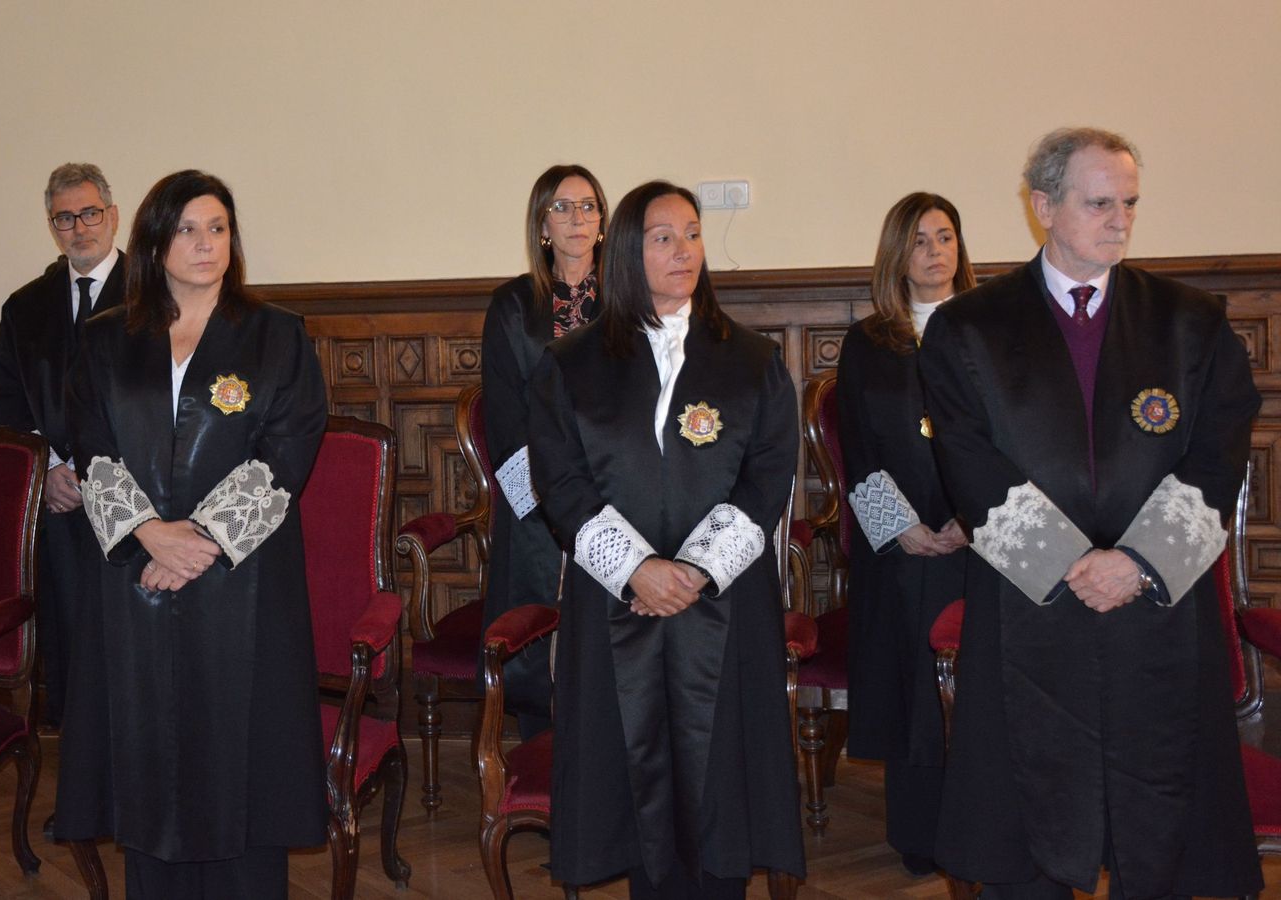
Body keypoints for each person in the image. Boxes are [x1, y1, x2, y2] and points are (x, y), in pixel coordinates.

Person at [918, 127, 1263, 898]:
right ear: (1043, 205)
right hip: (1030, 606)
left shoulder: (1191, 322)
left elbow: (1217, 454)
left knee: (1168, 829)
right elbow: (969, 461)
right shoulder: (969, 327)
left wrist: (1135, 563)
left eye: (1130, 203)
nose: (1120, 219)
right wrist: (1071, 565)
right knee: (1029, 833)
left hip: (1158, 609)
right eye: (1099, 202)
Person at [529, 181, 804, 899]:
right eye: (662, 237)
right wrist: (638, 570)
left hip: (723, 609)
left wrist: (695, 571)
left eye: (692, 233)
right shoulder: (571, 364)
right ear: (627, 250)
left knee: (722, 799)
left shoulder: (751, 362)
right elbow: (561, 482)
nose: (683, 250)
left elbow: (767, 478)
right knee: (633, 791)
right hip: (617, 605)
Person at [66, 170, 328, 898]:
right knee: (150, 772)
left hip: (242, 587)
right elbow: (90, 450)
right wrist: (150, 533)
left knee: (242, 772)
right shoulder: (105, 340)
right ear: (154, 240)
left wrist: (199, 543)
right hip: (135, 583)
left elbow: (286, 453)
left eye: (218, 227)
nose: (206, 242)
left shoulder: (275, 335)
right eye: (187, 228)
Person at [836, 192, 975, 877]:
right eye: (918, 240)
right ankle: (919, 833)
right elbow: (856, 449)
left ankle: (979, 824)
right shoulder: (869, 342)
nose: (934, 251)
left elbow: (1007, 438)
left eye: (944, 237)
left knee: (976, 679)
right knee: (909, 675)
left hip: (975, 539)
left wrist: (969, 520)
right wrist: (902, 528)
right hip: (899, 545)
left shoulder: (987, 330)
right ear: (898, 254)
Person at [0, 162, 125, 732]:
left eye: (90, 213)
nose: (79, 227)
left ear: (113, 216)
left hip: (140, 505)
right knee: (70, 645)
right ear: (52, 227)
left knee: (129, 642)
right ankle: (81, 789)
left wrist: (100, 472)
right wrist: (47, 470)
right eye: (64, 218)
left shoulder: (155, 292)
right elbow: (9, 403)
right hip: (61, 510)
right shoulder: (25, 307)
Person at [481, 163, 609, 737]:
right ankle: (539, 757)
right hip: (535, 501)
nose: (576, 218)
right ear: (542, 225)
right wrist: (547, 503)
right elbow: (505, 418)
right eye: (562, 207)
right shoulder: (511, 306)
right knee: (539, 638)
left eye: (587, 206)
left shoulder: (631, 298)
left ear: (604, 223)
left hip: (617, 496)